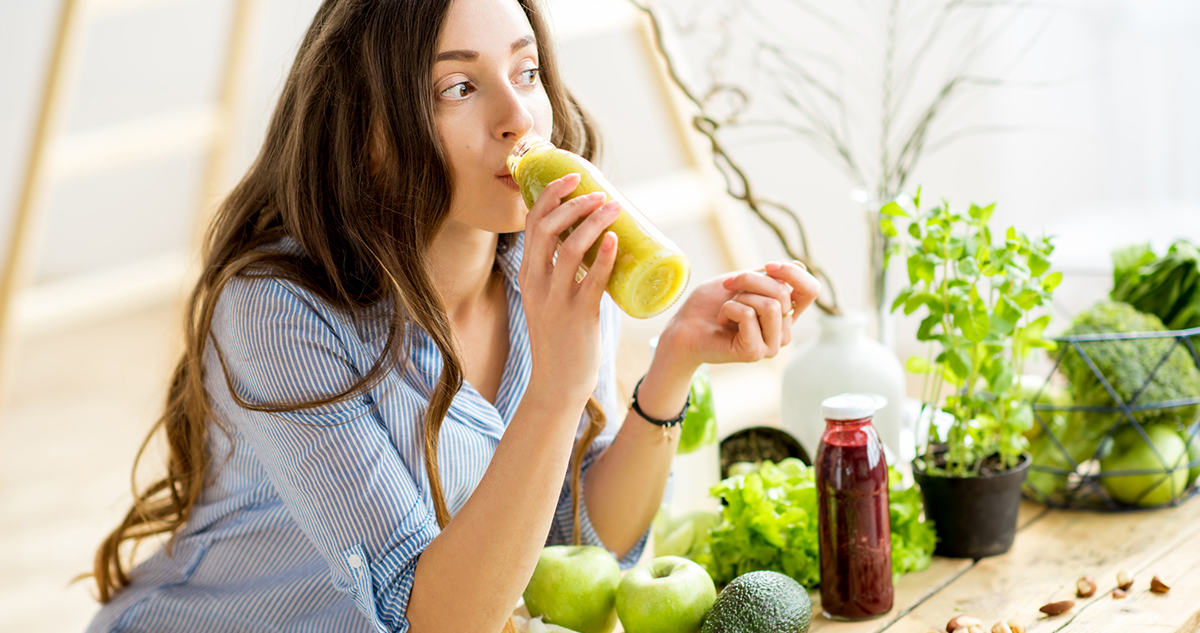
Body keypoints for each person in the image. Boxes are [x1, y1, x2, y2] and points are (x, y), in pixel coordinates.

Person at [83, 0, 820, 630]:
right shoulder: (278, 314)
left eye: (526, 73)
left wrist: (672, 364)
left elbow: (563, 538)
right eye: (460, 87)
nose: (518, 116)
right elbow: (428, 615)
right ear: (371, 132)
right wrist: (558, 385)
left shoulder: (545, 272)